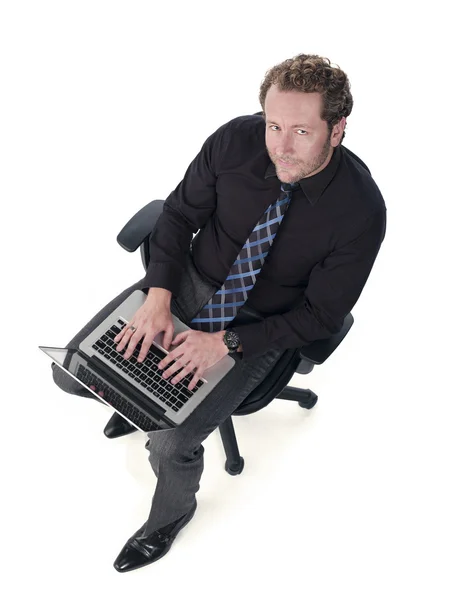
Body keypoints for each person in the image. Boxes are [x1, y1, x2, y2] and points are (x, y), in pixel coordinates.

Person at [51, 53, 387, 572]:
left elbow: (321, 317)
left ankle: (168, 518)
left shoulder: (361, 210)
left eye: (301, 130)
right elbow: (178, 213)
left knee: (172, 444)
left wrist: (225, 344)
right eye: (274, 124)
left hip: (259, 326)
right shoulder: (235, 141)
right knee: (72, 373)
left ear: (338, 128)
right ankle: (138, 397)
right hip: (187, 282)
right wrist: (160, 293)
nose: (281, 144)